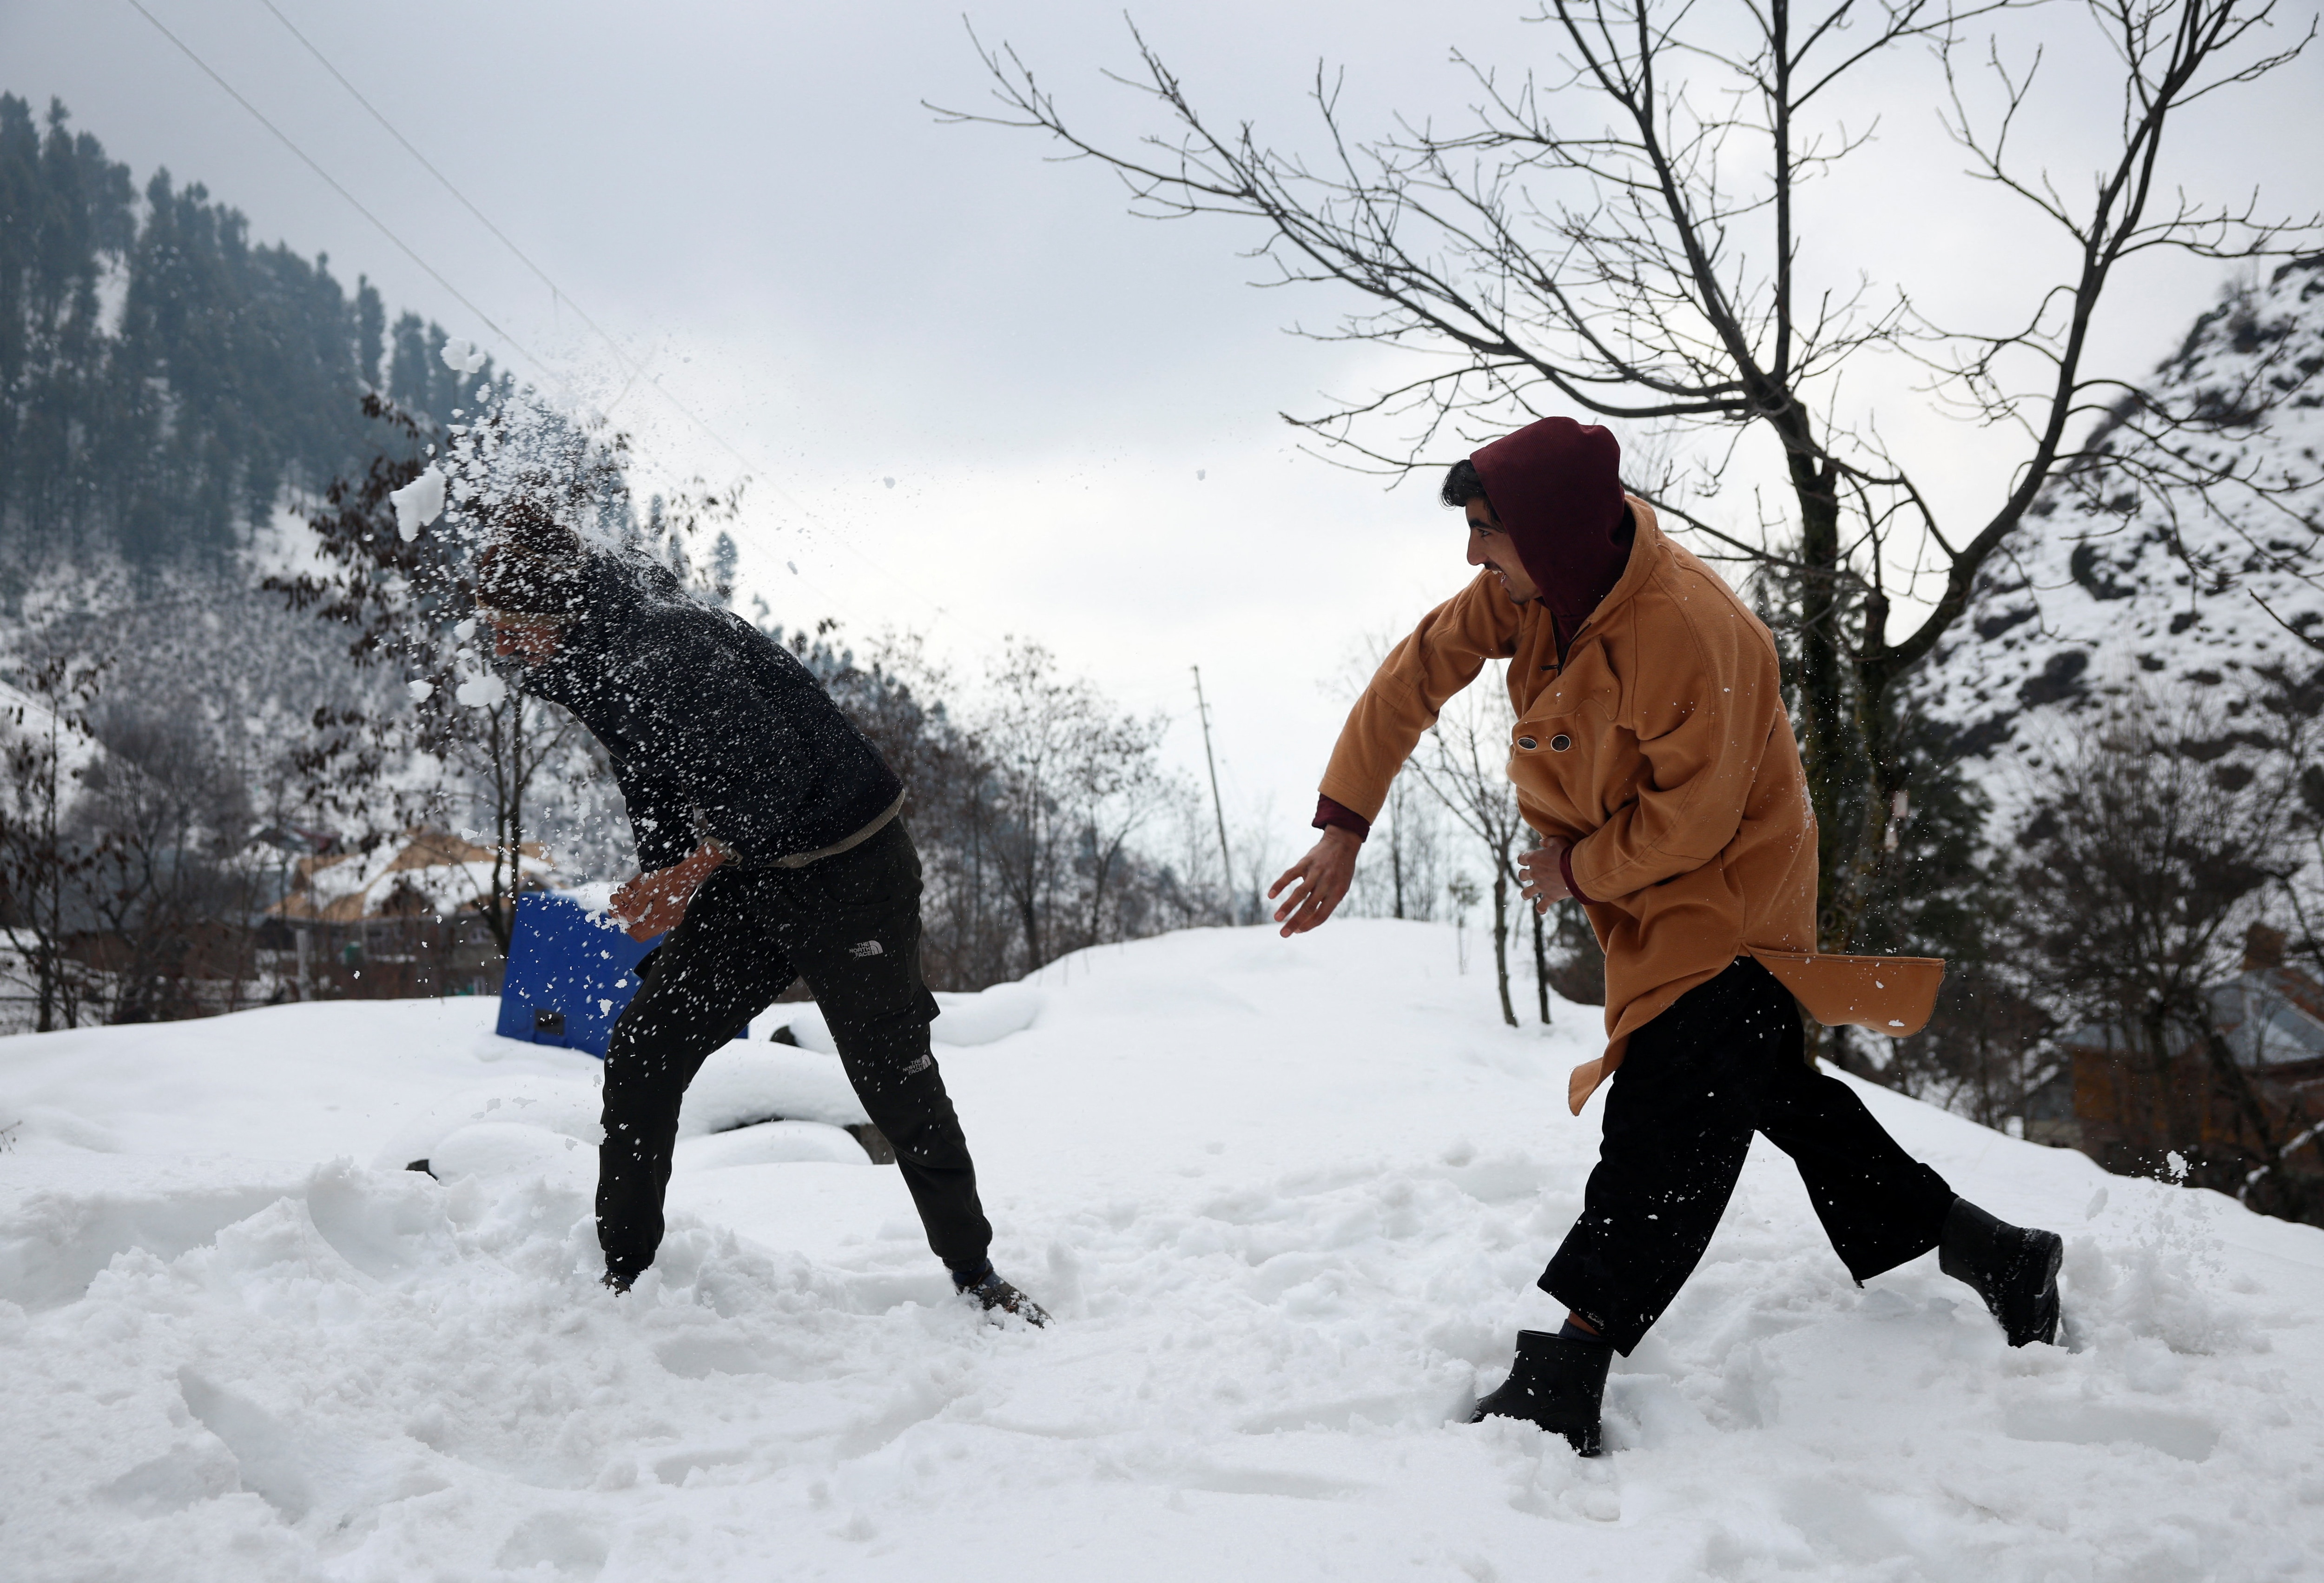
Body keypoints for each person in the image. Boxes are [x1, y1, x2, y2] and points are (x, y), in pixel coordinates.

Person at [1268, 417, 2060, 1455]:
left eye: (1484, 531)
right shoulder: (1533, 590)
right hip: (1647, 890)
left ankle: (1570, 1365)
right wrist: (1343, 827)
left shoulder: (1691, 632)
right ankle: (1999, 1255)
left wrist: (1571, 867)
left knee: (1663, 1126)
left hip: (1732, 896)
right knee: (1767, 1089)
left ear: (1548, 534)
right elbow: (1416, 672)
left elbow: (1694, 822)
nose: (1472, 556)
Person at [472, 501, 1046, 1324]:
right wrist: (664, 872)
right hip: (756, 873)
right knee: (645, 1043)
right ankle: (623, 1276)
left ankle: (977, 1275)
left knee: (890, 1074)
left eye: (510, 625)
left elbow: (772, 783)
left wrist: (689, 872)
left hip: (852, 870)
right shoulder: (587, 652)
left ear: (552, 610)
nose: (500, 645)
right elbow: (649, 763)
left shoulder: (664, 651)